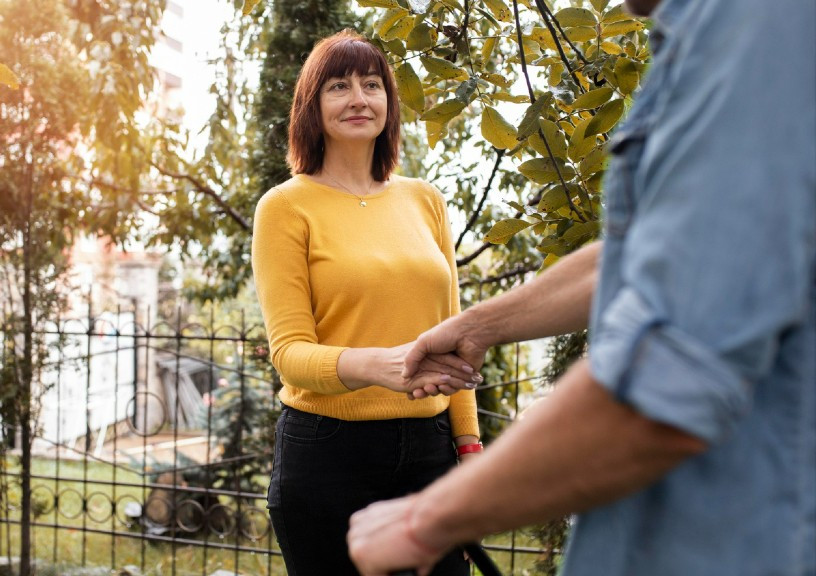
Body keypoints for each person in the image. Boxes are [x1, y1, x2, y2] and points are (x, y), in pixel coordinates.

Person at [347, 0, 816, 574]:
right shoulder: (701, 38)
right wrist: (478, 326)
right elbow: (639, 254)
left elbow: (666, 383)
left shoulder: (759, 25)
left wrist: (426, 520)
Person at [251, 29, 484, 576]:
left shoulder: (424, 199)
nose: (359, 97)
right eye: (339, 86)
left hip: (432, 452)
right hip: (328, 455)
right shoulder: (285, 207)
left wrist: (468, 446)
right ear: (313, 107)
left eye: (372, 84)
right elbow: (289, 353)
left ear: (388, 102)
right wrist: (381, 367)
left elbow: (453, 330)